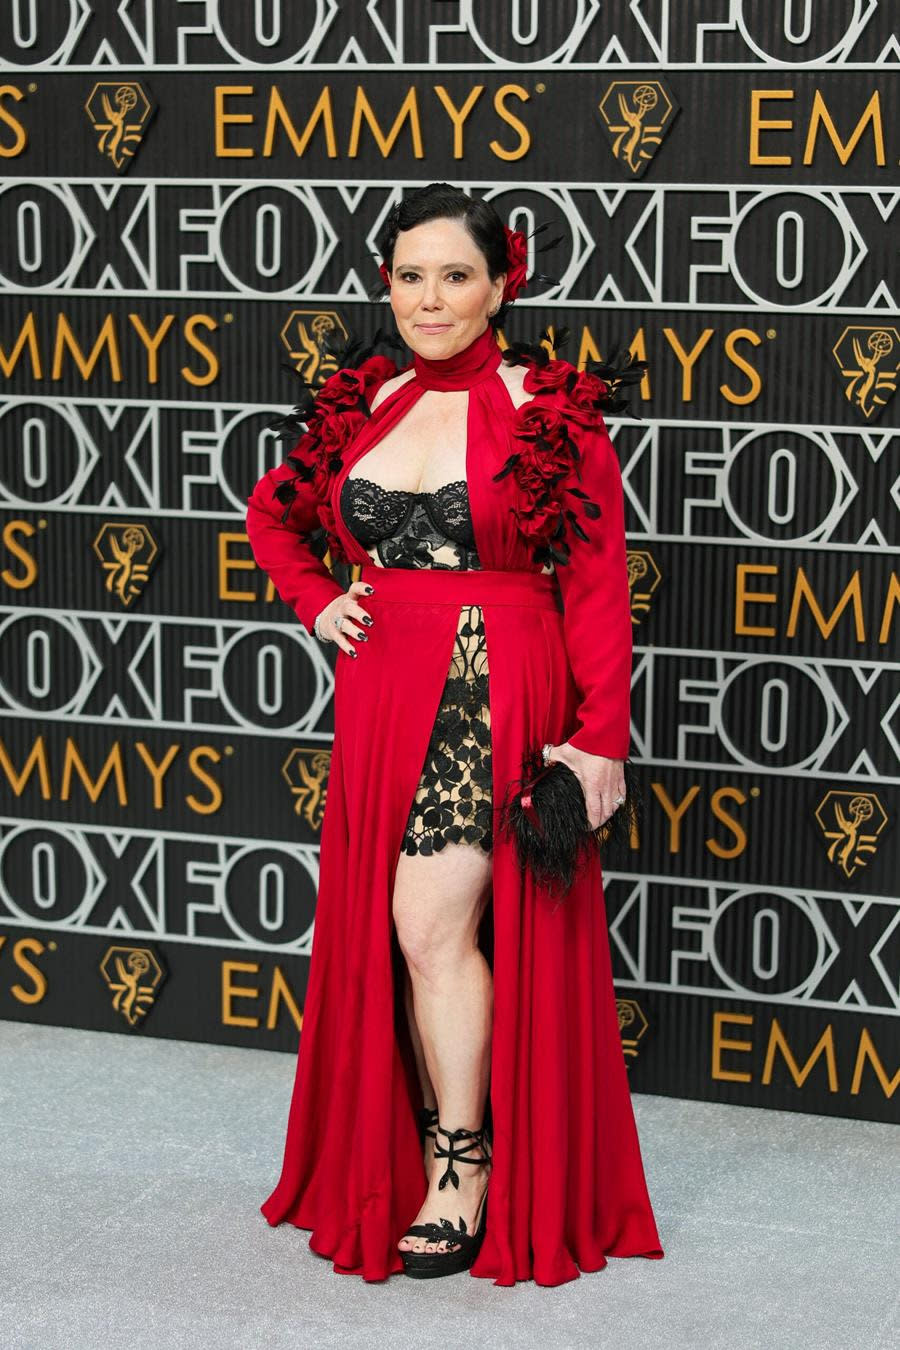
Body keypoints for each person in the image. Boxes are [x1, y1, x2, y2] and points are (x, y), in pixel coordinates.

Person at [245, 182, 664, 1286]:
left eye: (456, 275)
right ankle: (430, 1142)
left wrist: (599, 740)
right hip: (384, 688)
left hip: (497, 681)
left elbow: (599, 581)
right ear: (389, 283)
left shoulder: (548, 411)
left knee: (430, 924)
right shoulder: (364, 402)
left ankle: (462, 1167)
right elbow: (273, 512)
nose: (430, 298)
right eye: (410, 275)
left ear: (501, 285)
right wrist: (312, 594)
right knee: (403, 936)